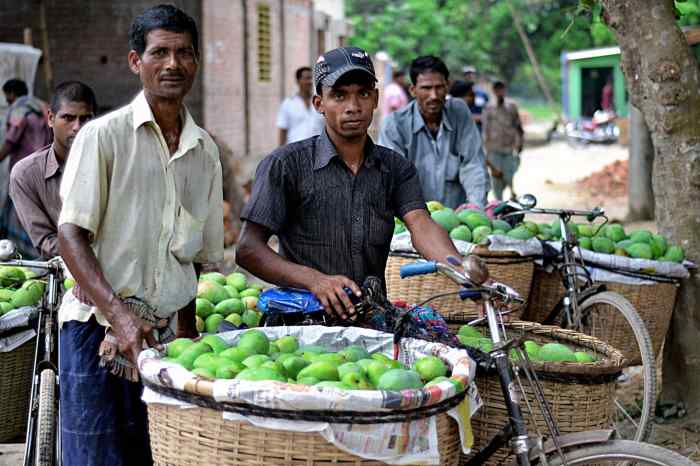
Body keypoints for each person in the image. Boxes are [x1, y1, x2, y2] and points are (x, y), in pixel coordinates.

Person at [56, 5, 223, 465]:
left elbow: (192, 256)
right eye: (160, 52)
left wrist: (188, 331)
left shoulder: (204, 152)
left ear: (196, 62)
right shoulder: (102, 137)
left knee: (157, 455)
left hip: (164, 339)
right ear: (136, 62)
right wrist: (120, 315)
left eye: (184, 53)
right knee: (97, 458)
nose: (173, 64)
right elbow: (70, 234)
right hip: (97, 332)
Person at [236, 46, 462, 318]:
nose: (353, 107)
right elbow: (248, 248)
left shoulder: (395, 168)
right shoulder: (285, 165)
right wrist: (315, 280)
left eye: (363, 94)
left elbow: (421, 225)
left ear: (376, 98)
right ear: (319, 103)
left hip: (371, 320)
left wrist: (458, 266)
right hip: (302, 325)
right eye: (339, 96)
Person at [379, 55, 490, 209]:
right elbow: (394, 180)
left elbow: (473, 164)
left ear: (447, 86)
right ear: (413, 90)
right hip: (413, 221)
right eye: (426, 88)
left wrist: (476, 208)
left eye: (439, 87)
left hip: (457, 220)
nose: (434, 95)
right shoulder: (395, 125)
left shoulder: (459, 112)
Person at [9, 81, 96, 258]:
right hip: (60, 269)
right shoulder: (26, 174)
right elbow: (46, 242)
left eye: (85, 119)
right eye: (68, 118)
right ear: (50, 118)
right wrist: (93, 258)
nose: (77, 127)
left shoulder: (113, 165)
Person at [482, 80, 524, 201]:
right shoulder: (489, 107)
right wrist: (486, 149)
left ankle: (511, 193)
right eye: (497, 89)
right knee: (496, 177)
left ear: (505, 90)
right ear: (494, 91)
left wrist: (520, 142)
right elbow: (485, 129)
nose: (500, 92)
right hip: (494, 148)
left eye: (502, 89)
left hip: (509, 148)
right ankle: (498, 202)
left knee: (509, 174)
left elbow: (518, 125)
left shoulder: (511, 106)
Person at [0, 79, 51, 169]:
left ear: (12, 93)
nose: (6, 100)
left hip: (25, 166)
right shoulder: (43, 106)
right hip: (45, 162)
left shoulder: (19, 110)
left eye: (6, 95)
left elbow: (11, 140)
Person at [277, 66, 324, 145]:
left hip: (318, 149)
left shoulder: (320, 102)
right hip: (295, 151)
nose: (309, 82)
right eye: (306, 78)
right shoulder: (288, 103)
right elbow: (283, 129)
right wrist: (280, 151)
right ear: (298, 81)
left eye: (311, 78)